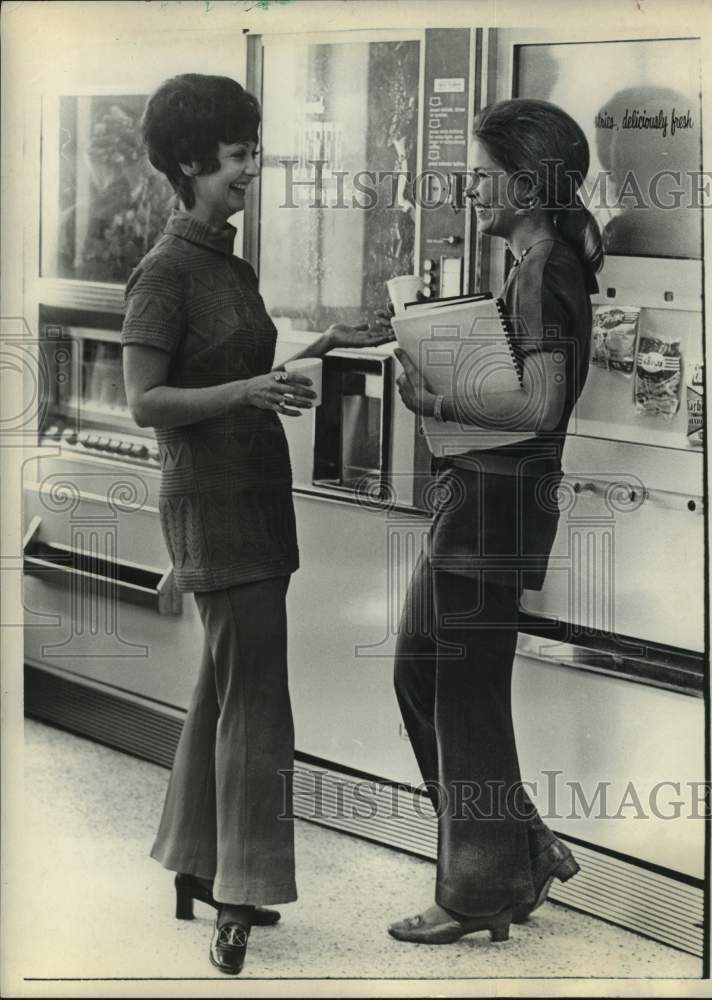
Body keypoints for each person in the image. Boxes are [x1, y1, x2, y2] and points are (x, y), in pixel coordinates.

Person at [121, 73, 391, 975]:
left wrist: (323, 345)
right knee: (257, 701)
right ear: (192, 161)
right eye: (239, 154)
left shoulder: (224, 260)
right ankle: (242, 891)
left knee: (224, 686)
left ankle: (195, 863)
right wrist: (250, 389)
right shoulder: (163, 271)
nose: (253, 168)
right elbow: (145, 401)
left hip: (249, 494)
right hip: (214, 504)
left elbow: (239, 361)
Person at [389, 98, 602, 945]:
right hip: (477, 503)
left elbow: (542, 402)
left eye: (482, 176)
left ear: (523, 184)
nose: (470, 188)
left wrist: (435, 396)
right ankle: (523, 847)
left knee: (465, 698)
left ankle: (477, 890)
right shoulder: (532, 262)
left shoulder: (543, 269)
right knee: (419, 673)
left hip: (496, 510)